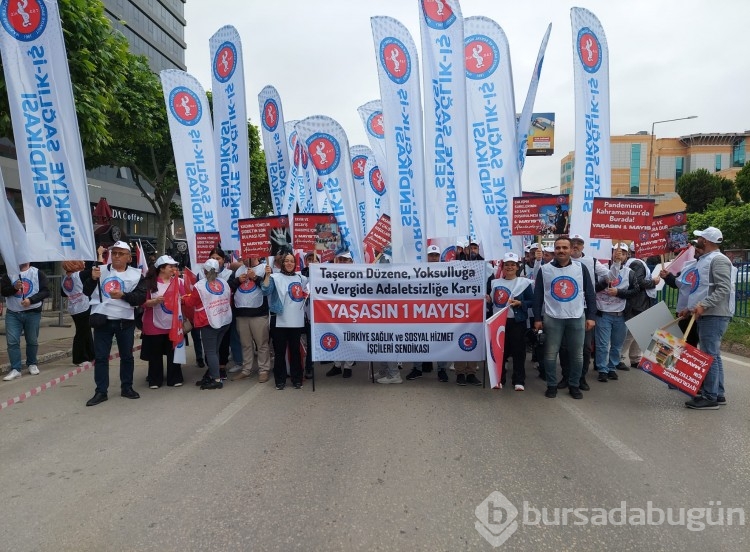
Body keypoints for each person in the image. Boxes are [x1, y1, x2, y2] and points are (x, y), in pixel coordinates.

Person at [83, 242, 147, 406]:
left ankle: (127, 387)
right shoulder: (100, 270)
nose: (116, 256)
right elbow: (86, 291)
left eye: (120, 253)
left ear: (128, 257)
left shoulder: (136, 274)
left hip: (124, 322)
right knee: (101, 357)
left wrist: (123, 295)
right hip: (102, 321)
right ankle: (101, 391)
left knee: (127, 356)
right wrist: (92, 279)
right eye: (114, 253)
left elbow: (140, 298)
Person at [533, 236, 597, 399]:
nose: (561, 250)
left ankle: (574, 385)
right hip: (552, 317)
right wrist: (537, 318)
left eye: (564, 248)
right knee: (550, 354)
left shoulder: (580, 268)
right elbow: (538, 295)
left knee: (578, 354)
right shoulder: (545, 269)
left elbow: (589, 292)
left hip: (576, 316)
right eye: (558, 248)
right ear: (554, 250)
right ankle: (552, 385)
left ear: (571, 249)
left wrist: (591, 316)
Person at [681, 227, 733, 410]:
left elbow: (723, 288)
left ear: (708, 241)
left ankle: (709, 397)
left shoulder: (718, 260)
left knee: (709, 356)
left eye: (701, 237)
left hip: (714, 315)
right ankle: (717, 394)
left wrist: (704, 305)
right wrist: (689, 309)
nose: (699, 239)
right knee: (713, 355)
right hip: (707, 314)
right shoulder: (706, 260)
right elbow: (701, 289)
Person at [557, 234, 607, 391]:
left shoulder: (590, 262)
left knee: (585, 347)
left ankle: (581, 378)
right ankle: (566, 376)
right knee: (564, 347)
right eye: (574, 243)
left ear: (582, 247)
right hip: (564, 309)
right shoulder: (557, 264)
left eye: (579, 243)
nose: (576, 246)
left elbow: (608, 278)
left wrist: (617, 263)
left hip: (584, 310)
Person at [487, 252, 534, 390]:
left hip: (517, 322)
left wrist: (521, 303)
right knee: (499, 351)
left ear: (517, 267)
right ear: (502, 267)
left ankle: (518, 380)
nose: (509, 267)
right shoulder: (495, 283)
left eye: (513, 265)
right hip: (499, 322)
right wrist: (488, 300)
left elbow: (532, 301)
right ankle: (499, 378)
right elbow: (492, 301)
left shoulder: (524, 283)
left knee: (518, 351)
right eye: (507, 265)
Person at [184, 258, 232, 390]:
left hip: (209, 322)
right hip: (224, 321)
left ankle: (216, 379)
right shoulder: (223, 283)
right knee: (214, 350)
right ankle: (212, 374)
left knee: (210, 352)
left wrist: (183, 298)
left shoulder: (200, 286)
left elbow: (191, 303)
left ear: (204, 270)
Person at [262, 252, 308, 390]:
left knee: (295, 351)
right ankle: (280, 380)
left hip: (296, 321)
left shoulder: (301, 278)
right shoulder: (275, 277)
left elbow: (313, 284)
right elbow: (265, 290)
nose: (289, 263)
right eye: (286, 261)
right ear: (282, 263)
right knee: (280, 352)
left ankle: (297, 378)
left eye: (292, 261)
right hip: (279, 321)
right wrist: (267, 275)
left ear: (295, 264)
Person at [593, 244, 638, 383]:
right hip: (603, 313)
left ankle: (612, 367)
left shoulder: (630, 273)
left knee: (617, 344)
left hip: (621, 314)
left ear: (627, 256)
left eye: (623, 253)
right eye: (617, 252)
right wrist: (605, 283)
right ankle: (602, 369)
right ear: (611, 253)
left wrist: (619, 292)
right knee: (602, 344)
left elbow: (635, 291)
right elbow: (593, 287)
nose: (620, 255)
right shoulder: (600, 269)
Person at [140, 255, 184, 388]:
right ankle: (155, 379)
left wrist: (182, 300)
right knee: (155, 353)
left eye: (174, 266)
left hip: (174, 323)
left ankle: (174, 377)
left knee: (173, 352)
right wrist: (154, 302)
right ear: (162, 268)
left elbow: (185, 297)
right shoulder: (149, 283)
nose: (174, 269)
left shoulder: (179, 282)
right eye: (171, 266)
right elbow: (141, 302)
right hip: (154, 323)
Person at [2, 262, 50, 381]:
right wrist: (14, 288)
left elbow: (45, 291)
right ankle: (15, 369)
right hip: (13, 313)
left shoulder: (38, 273)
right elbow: (3, 292)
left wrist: (31, 300)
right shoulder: (9, 274)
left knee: (32, 340)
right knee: (12, 341)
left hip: (32, 312)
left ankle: (32, 364)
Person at [229, 256, 272, 384]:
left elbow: (268, 288)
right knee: (245, 344)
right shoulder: (237, 270)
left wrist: (256, 278)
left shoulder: (265, 268)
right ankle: (246, 369)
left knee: (262, 344)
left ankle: (264, 370)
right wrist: (237, 280)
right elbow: (228, 287)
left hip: (259, 313)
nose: (247, 256)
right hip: (241, 313)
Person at [618, 244, 660, 371]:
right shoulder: (637, 263)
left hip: (640, 301)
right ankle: (618, 357)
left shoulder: (635, 262)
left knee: (639, 331)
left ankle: (635, 358)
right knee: (632, 332)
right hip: (638, 302)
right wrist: (653, 282)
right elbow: (639, 282)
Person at [326, 250, 356, 379]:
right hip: (335, 311)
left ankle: (348, 366)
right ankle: (337, 365)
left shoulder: (357, 274)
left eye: (346, 260)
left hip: (351, 311)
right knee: (335, 337)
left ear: (351, 261)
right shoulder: (331, 273)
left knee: (349, 338)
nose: (343, 262)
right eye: (341, 259)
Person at [61, 261, 95, 367]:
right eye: (81, 261)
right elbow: (95, 270)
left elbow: (63, 293)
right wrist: (99, 255)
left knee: (86, 331)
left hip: (74, 307)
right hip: (83, 306)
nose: (84, 263)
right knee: (81, 333)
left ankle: (91, 354)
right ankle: (79, 358)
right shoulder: (79, 275)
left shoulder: (65, 279)